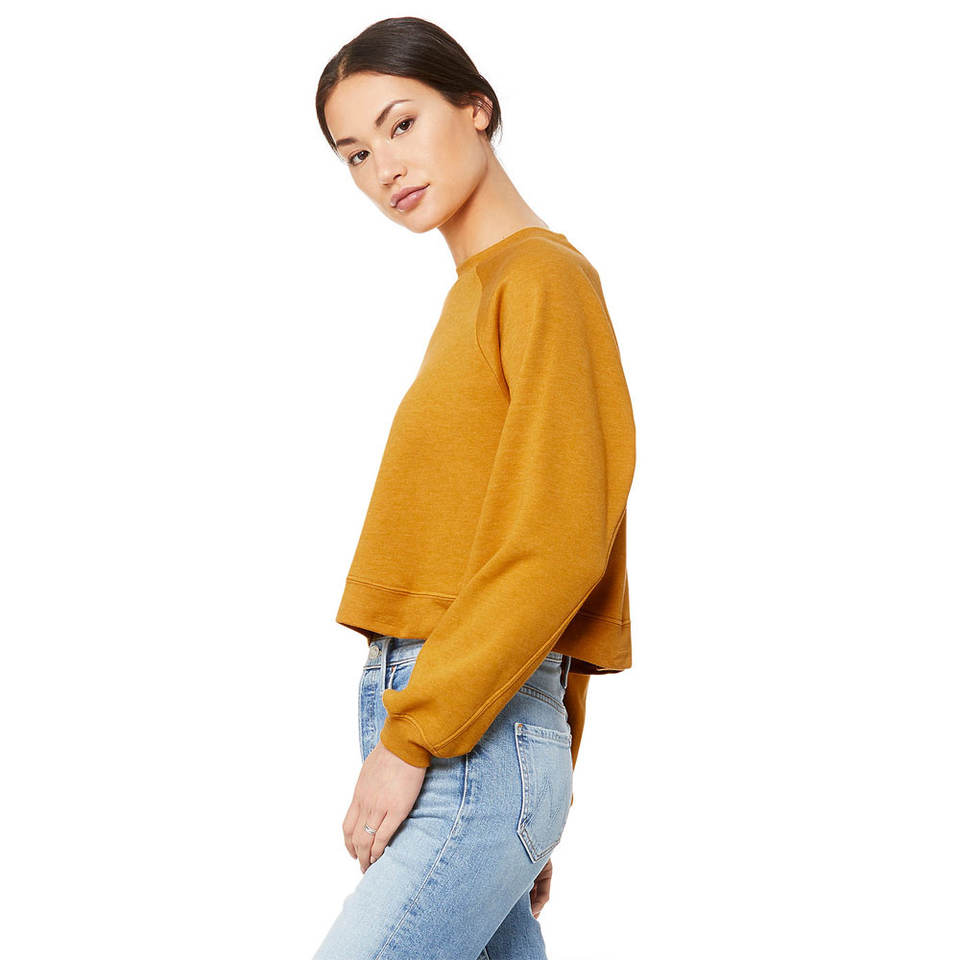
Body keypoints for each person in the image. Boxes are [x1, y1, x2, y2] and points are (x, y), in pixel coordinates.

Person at [311, 16, 636, 960]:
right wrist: (538, 782)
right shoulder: (478, 294)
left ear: (477, 107)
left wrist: (417, 740)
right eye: (356, 153)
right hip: (466, 726)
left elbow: (561, 546)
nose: (384, 169)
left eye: (402, 124)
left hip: (463, 736)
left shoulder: (543, 280)